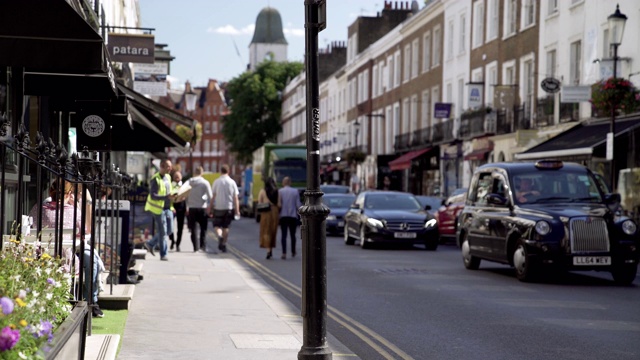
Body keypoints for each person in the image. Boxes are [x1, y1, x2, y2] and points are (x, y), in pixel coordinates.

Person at [143, 159, 175, 261]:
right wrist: (166, 197)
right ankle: (163, 254)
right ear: (162, 166)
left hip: (168, 208)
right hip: (158, 209)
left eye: (170, 166)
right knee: (163, 231)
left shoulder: (168, 177)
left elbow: (169, 191)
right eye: (168, 166)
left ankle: (150, 243)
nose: (170, 168)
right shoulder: (155, 179)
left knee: (169, 230)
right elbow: (153, 196)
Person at [208, 164, 240, 253]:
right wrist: (237, 210)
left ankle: (219, 235)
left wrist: (210, 208)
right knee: (226, 227)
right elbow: (236, 198)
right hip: (229, 208)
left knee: (217, 225)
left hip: (218, 207)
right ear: (228, 171)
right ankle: (224, 244)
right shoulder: (232, 182)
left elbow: (213, 196)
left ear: (220, 171)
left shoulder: (216, 182)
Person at [182, 166, 212, 252]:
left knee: (193, 229)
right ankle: (202, 246)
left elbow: (184, 194)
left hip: (191, 208)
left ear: (194, 173)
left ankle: (195, 247)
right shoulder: (205, 183)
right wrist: (209, 206)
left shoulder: (189, 182)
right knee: (203, 228)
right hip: (202, 208)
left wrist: (187, 206)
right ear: (202, 173)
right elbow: (210, 196)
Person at [277, 176, 301, 259]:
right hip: (292, 215)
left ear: (283, 183)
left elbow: (279, 204)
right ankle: (293, 251)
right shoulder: (295, 191)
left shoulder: (280, 191)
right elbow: (298, 205)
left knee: (284, 235)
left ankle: (284, 253)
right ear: (290, 183)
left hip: (283, 216)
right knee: (293, 235)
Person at [258, 177, 279, 259]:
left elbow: (260, 203)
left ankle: (268, 250)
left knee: (266, 230)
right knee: (273, 230)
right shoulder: (277, 191)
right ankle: (271, 249)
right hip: (274, 211)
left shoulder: (262, 191)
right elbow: (279, 204)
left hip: (265, 211)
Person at [169, 171, 186, 252]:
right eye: (175, 176)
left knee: (180, 227)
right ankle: (172, 240)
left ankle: (178, 244)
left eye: (178, 176)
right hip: (172, 207)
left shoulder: (183, 186)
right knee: (170, 226)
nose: (177, 178)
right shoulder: (170, 185)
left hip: (181, 207)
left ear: (181, 178)